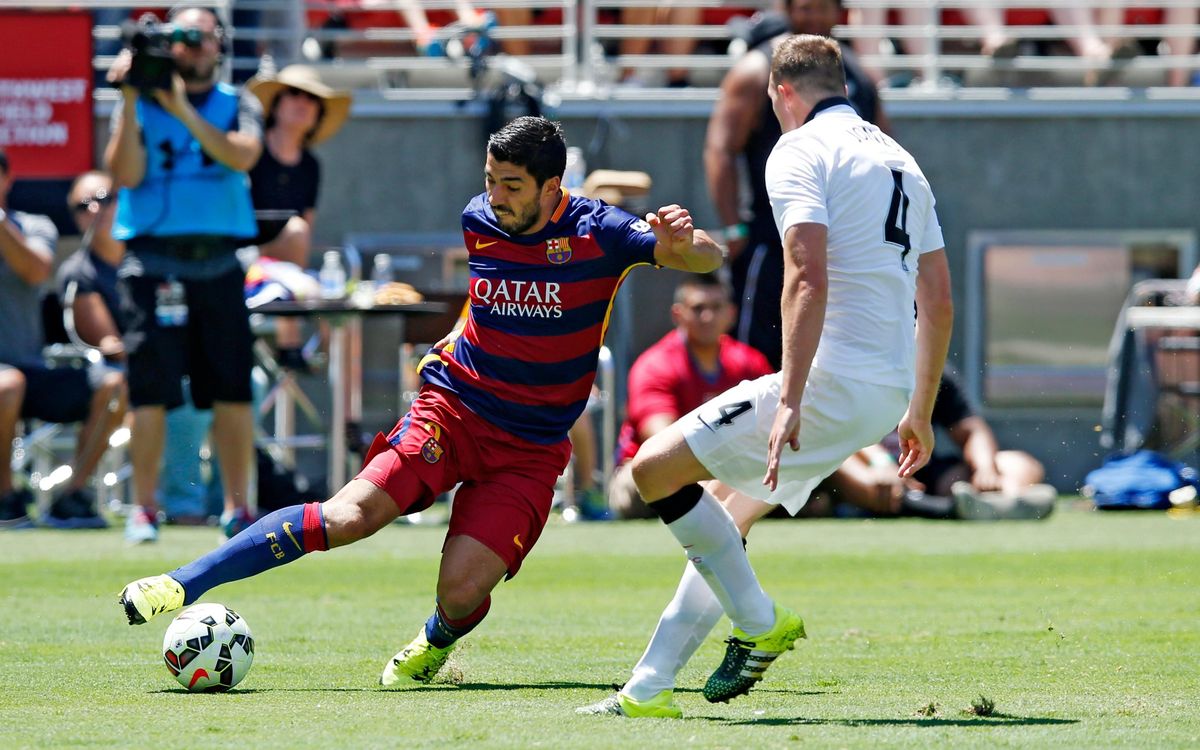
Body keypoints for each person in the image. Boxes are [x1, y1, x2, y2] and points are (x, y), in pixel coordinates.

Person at [116, 116, 723, 688]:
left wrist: (683, 242)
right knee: (348, 517)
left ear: (552, 187)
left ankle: (434, 644)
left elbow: (702, 257)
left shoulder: (601, 232)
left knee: (460, 594)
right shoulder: (479, 218)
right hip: (453, 408)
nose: (495, 195)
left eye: (512, 185)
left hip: (530, 449)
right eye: (490, 180)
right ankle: (178, 583)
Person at [578, 34, 953, 718]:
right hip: (884, 391)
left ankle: (759, 622)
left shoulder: (800, 149)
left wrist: (791, 397)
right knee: (722, 515)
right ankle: (647, 690)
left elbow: (805, 274)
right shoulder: (904, 161)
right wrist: (919, 410)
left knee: (654, 471)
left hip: (832, 385)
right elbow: (940, 299)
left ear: (781, 92)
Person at [105, 5, 262, 543]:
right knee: (150, 391)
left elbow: (241, 156)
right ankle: (144, 508)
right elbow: (125, 173)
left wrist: (182, 109)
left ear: (220, 43)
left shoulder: (237, 103)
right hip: (152, 262)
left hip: (218, 262)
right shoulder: (138, 105)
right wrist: (131, 99)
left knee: (232, 389)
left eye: (202, 38)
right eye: (181, 38)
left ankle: (238, 508)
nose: (192, 47)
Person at [705, 0, 890, 370]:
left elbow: (883, 147)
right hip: (771, 239)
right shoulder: (758, 69)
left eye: (823, 8)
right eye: (805, 7)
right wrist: (733, 226)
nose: (814, 18)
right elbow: (720, 148)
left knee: (831, 358)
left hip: (839, 242)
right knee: (757, 362)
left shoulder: (857, 74)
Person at [0, 152, 127, 530]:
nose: (97, 210)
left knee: (114, 385)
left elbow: (36, 269)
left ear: (7, 180)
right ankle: (7, 499)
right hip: (7, 382)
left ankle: (71, 496)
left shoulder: (34, 225)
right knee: (8, 385)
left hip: (31, 370)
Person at [609, 272, 774, 519]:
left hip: (730, 468)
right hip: (658, 470)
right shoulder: (655, 365)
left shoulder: (750, 363)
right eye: (698, 308)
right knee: (637, 485)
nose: (707, 316)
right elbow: (662, 441)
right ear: (678, 314)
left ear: (731, 313)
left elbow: (773, 426)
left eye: (716, 307)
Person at [814, 369, 1057, 521]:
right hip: (866, 467)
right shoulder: (844, 368)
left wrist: (985, 470)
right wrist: (882, 463)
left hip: (922, 472)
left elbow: (971, 430)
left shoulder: (931, 371)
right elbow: (835, 433)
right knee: (837, 462)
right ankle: (949, 510)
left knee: (1018, 463)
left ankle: (1003, 503)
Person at [245, 64, 352, 370]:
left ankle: (311, 350)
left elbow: (307, 224)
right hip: (240, 260)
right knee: (295, 233)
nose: (302, 103)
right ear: (276, 104)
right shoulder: (251, 151)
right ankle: (289, 342)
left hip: (283, 271)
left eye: (311, 98)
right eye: (294, 94)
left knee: (328, 290)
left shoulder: (310, 166)